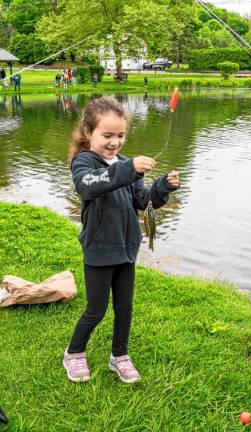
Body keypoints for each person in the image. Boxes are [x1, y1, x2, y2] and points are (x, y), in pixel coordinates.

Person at [63, 96, 180, 384]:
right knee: (96, 309)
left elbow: (143, 200)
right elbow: (89, 186)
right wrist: (128, 169)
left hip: (126, 249)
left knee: (124, 308)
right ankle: (74, 352)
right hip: (99, 250)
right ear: (89, 133)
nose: (115, 142)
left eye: (121, 135)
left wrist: (162, 187)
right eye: (107, 135)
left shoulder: (127, 164)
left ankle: (119, 355)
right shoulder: (83, 162)